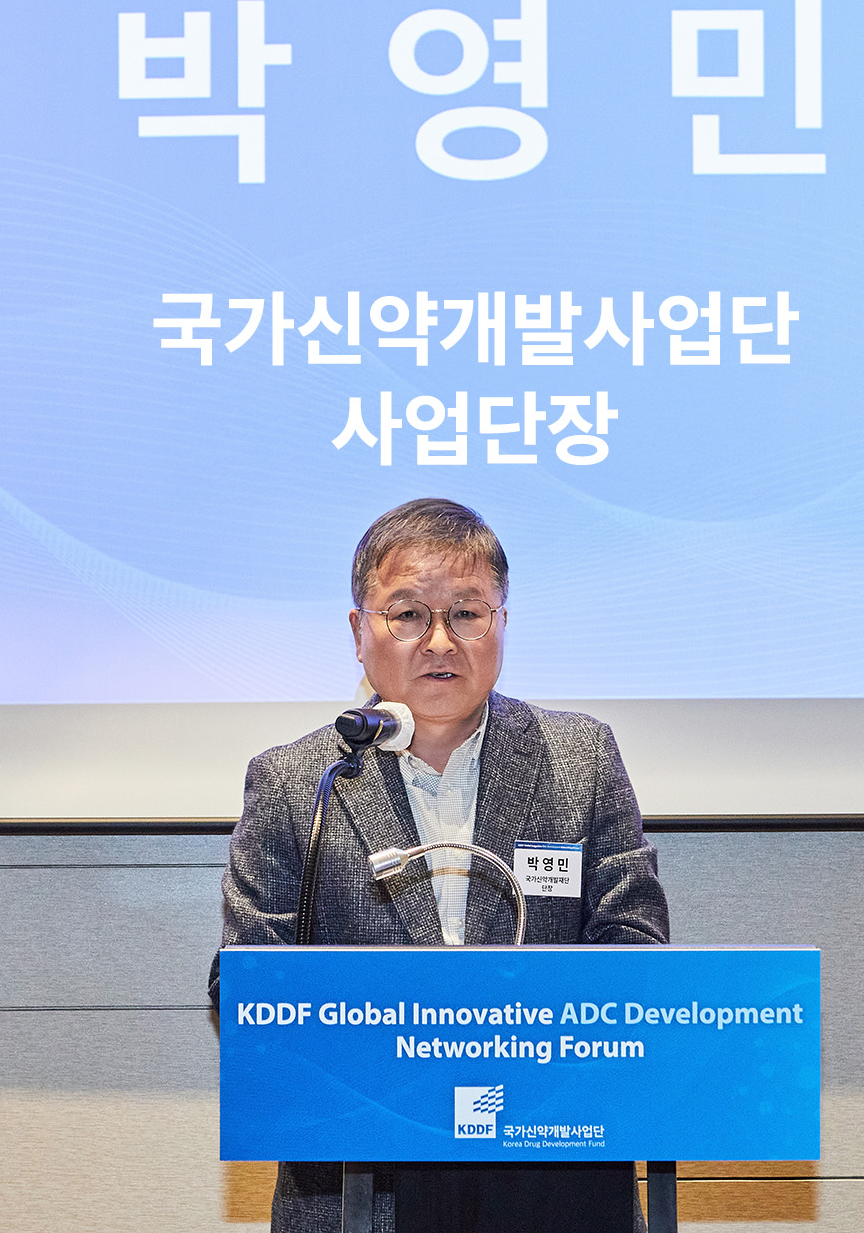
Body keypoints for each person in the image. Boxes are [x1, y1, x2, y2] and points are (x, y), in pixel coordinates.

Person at [219, 498, 669, 1233]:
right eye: (407, 615)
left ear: (501, 622)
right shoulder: (299, 784)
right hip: (363, 1181)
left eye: (467, 613)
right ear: (359, 632)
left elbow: (636, 950)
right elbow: (247, 984)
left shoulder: (580, 758)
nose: (440, 642)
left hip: (552, 1167)